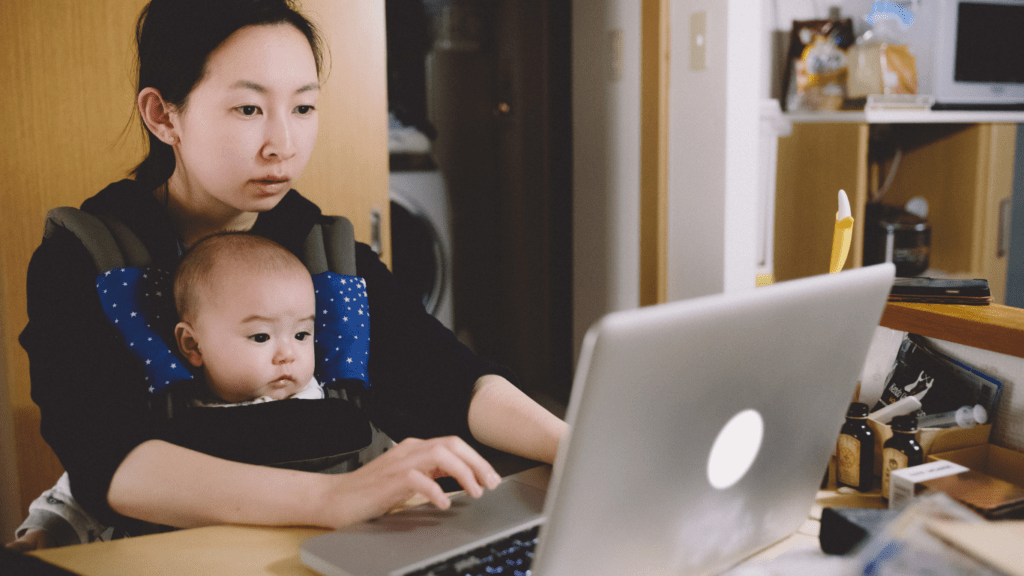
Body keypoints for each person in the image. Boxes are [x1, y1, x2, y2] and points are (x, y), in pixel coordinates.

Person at [15, 0, 567, 547]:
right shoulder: (84, 260)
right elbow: (108, 461)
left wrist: (575, 442)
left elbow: (449, 378)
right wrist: (335, 498)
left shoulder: (321, 251)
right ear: (163, 115)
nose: (283, 146)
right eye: (249, 110)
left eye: (303, 108)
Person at [8, 233, 391, 550]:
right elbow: (86, 483)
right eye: (260, 336)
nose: (287, 354)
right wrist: (49, 529)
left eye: (302, 334)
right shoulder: (169, 419)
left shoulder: (328, 406)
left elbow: (384, 462)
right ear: (193, 346)